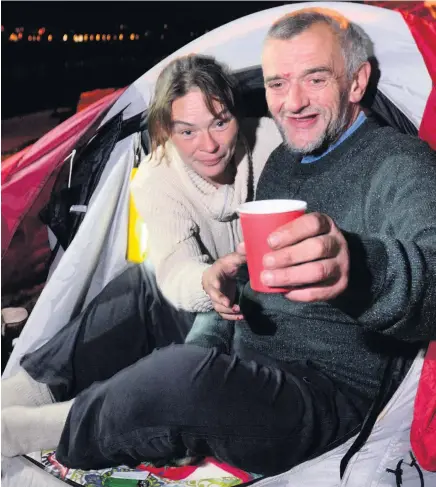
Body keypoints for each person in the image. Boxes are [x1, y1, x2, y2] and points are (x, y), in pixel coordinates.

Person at [2, 8, 436, 478]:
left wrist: (361, 268)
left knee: (178, 378)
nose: (292, 102)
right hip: (254, 346)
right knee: (143, 287)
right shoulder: (287, 163)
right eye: (276, 83)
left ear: (356, 82)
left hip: (319, 395)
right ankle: (23, 391)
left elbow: (431, 275)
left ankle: (38, 429)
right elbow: (250, 291)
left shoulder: (400, 164)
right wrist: (211, 333)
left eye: (315, 79)